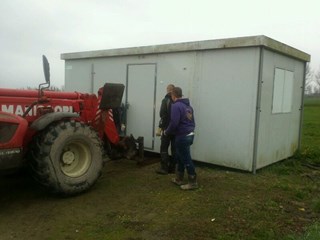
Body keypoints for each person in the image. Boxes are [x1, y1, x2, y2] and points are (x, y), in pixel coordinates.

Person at [164, 87, 198, 190]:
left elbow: (174, 122)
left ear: (173, 95)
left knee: (186, 158)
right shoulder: (188, 107)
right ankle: (179, 179)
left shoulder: (176, 106)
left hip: (182, 135)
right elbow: (192, 122)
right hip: (189, 134)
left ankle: (193, 182)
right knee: (180, 157)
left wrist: (167, 131)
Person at [155, 84, 176, 175]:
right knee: (174, 149)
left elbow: (162, 114)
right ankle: (172, 168)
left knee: (164, 148)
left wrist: (162, 127)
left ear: (168, 90)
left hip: (167, 128)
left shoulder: (165, 100)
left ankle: (164, 168)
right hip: (176, 129)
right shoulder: (177, 101)